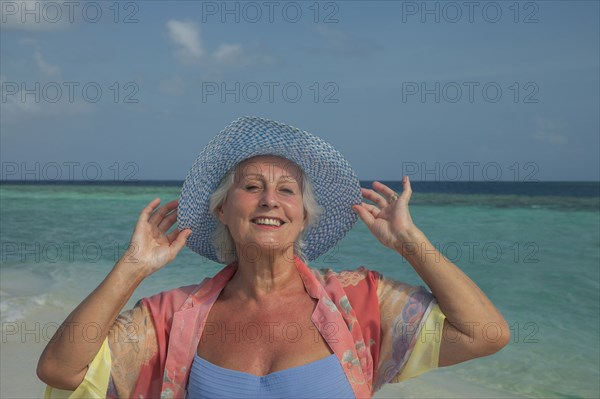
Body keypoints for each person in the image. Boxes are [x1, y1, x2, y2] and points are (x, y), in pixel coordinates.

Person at [38, 116, 509, 399]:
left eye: (287, 191)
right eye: (251, 187)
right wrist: (132, 268)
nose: (270, 200)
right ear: (222, 210)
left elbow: (485, 334)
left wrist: (410, 243)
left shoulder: (360, 303)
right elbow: (61, 371)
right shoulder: (170, 318)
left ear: (303, 217)